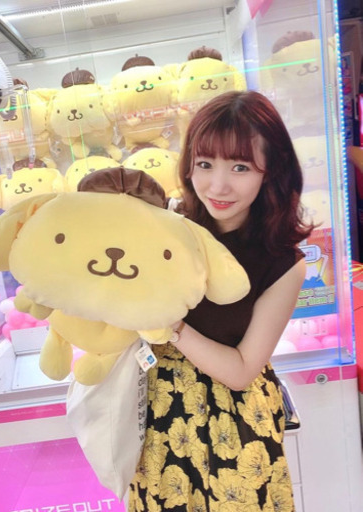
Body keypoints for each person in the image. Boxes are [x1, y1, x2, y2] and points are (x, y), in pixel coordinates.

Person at [128, 90, 314, 512]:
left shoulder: (282, 262)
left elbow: (242, 370)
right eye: (205, 164)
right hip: (158, 415)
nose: (218, 185)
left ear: (271, 170)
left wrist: (171, 325)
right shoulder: (167, 224)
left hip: (235, 425)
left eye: (240, 167)